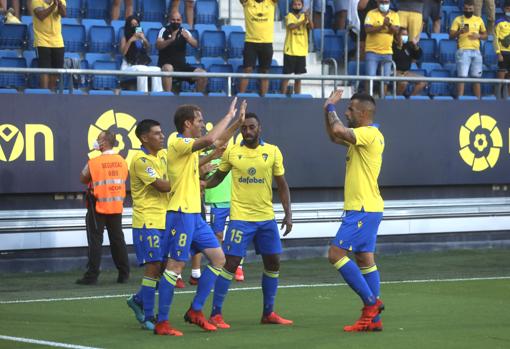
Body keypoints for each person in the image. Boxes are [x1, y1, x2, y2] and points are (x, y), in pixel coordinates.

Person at [154, 98, 244, 336]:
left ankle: (195, 310)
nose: (203, 124)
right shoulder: (176, 141)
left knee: (219, 259)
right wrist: (228, 115)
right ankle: (162, 322)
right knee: (174, 267)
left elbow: (218, 140)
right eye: (200, 121)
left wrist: (237, 122)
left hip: (194, 215)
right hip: (180, 213)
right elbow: (210, 139)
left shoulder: (189, 148)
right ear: (187, 123)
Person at [206, 111, 294, 329]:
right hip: (240, 219)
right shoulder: (232, 152)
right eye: (244, 128)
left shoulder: (272, 151)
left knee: (273, 263)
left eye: (251, 127)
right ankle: (216, 314)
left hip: (266, 219)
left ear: (259, 128)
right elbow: (218, 177)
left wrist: (288, 213)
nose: (247, 131)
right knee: (231, 263)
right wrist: (201, 185)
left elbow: (282, 184)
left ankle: (268, 312)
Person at [322, 89, 385, 332]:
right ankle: (374, 321)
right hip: (366, 208)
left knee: (335, 254)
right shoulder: (362, 135)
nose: (346, 112)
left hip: (363, 208)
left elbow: (338, 130)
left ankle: (371, 305)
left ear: (363, 113)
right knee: (364, 259)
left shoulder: (369, 133)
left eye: (350, 109)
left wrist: (330, 108)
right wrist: (325, 109)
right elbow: (333, 136)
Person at [126, 119, 172, 331]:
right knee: (153, 267)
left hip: (165, 219)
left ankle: (137, 300)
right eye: (157, 133)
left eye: (162, 132)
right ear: (144, 138)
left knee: (163, 267)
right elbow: (162, 186)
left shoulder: (163, 155)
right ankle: (148, 316)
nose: (162, 136)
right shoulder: (140, 160)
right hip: (147, 220)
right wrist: (186, 181)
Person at [76, 131, 130, 285]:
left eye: (99, 139)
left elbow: (82, 178)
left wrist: (94, 154)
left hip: (97, 205)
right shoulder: (122, 161)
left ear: (104, 142)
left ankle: (91, 276)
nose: (96, 141)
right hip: (116, 204)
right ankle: (124, 274)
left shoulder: (94, 162)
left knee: (95, 241)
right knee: (118, 239)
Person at [156, 11, 207, 93]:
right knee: (168, 68)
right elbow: (158, 45)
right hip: (166, 64)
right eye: (173, 20)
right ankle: (167, 97)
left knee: (203, 74)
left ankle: (198, 98)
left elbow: (196, 45)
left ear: (181, 21)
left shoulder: (184, 31)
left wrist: (188, 39)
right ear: (169, 20)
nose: (176, 22)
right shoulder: (164, 30)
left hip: (181, 66)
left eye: (178, 20)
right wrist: (171, 40)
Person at [239, 0, 278, 96]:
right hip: (251, 42)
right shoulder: (248, 3)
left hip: (266, 42)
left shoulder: (270, 2)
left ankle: (263, 98)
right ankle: (240, 96)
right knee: (247, 70)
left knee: (265, 71)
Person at [449, 0, 487, 98]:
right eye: (466, 9)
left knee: (477, 78)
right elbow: (451, 36)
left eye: (470, 9)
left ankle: (478, 101)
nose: (468, 10)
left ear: (474, 8)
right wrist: (459, 32)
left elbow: (486, 36)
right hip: (463, 51)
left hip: (477, 52)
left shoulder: (479, 19)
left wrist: (478, 35)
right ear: (463, 8)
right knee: (462, 78)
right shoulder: (458, 19)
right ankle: (460, 100)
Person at [120, 16, 163, 93]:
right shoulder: (125, 37)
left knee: (157, 69)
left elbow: (148, 50)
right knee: (142, 69)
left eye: (136, 24)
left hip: (142, 65)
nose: (134, 26)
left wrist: (144, 39)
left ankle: (157, 93)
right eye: (132, 25)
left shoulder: (141, 37)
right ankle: (143, 93)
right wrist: (131, 40)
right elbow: (123, 53)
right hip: (128, 66)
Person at [364, 0, 400, 94]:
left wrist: (389, 25)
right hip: (372, 52)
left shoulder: (394, 15)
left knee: (385, 80)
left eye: (386, 2)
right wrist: (382, 27)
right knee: (370, 78)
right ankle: (369, 99)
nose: (384, 4)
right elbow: (367, 29)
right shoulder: (371, 13)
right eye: (382, 2)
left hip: (387, 52)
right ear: (377, 2)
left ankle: (383, 98)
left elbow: (396, 31)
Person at [32, 0, 66, 89]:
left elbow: (64, 14)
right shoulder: (36, 1)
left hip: (57, 41)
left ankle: (51, 93)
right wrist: (54, 5)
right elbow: (41, 16)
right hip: (42, 40)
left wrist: (60, 5)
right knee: (44, 70)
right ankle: (44, 94)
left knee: (56, 70)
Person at [281, 0, 313, 95]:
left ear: (302, 6)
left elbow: (311, 27)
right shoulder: (289, 16)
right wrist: (303, 21)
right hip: (290, 50)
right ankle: (282, 96)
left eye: (299, 4)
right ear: (292, 5)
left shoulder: (305, 17)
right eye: (295, 4)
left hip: (301, 51)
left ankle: (297, 96)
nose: (297, 6)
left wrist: (309, 18)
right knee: (286, 77)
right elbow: (291, 26)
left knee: (298, 78)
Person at [392, 27, 426, 96]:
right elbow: (396, 57)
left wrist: (415, 45)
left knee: (423, 81)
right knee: (403, 83)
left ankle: (410, 99)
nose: (405, 37)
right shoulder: (392, 45)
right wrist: (400, 46)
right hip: (395, 72)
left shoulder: (409, 45)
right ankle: (397, 100)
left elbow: (418, 56)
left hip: (406, 72)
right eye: (403, 35)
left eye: (406, 35)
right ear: (397, 35)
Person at [494, 1, 510, 98]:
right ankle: (498, 97)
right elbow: (495, 39)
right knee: (501, 77)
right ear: (504, 9)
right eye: (508, 8)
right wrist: (498, 53)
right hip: (503, 53)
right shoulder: (499, 22)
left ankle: (508, 99)